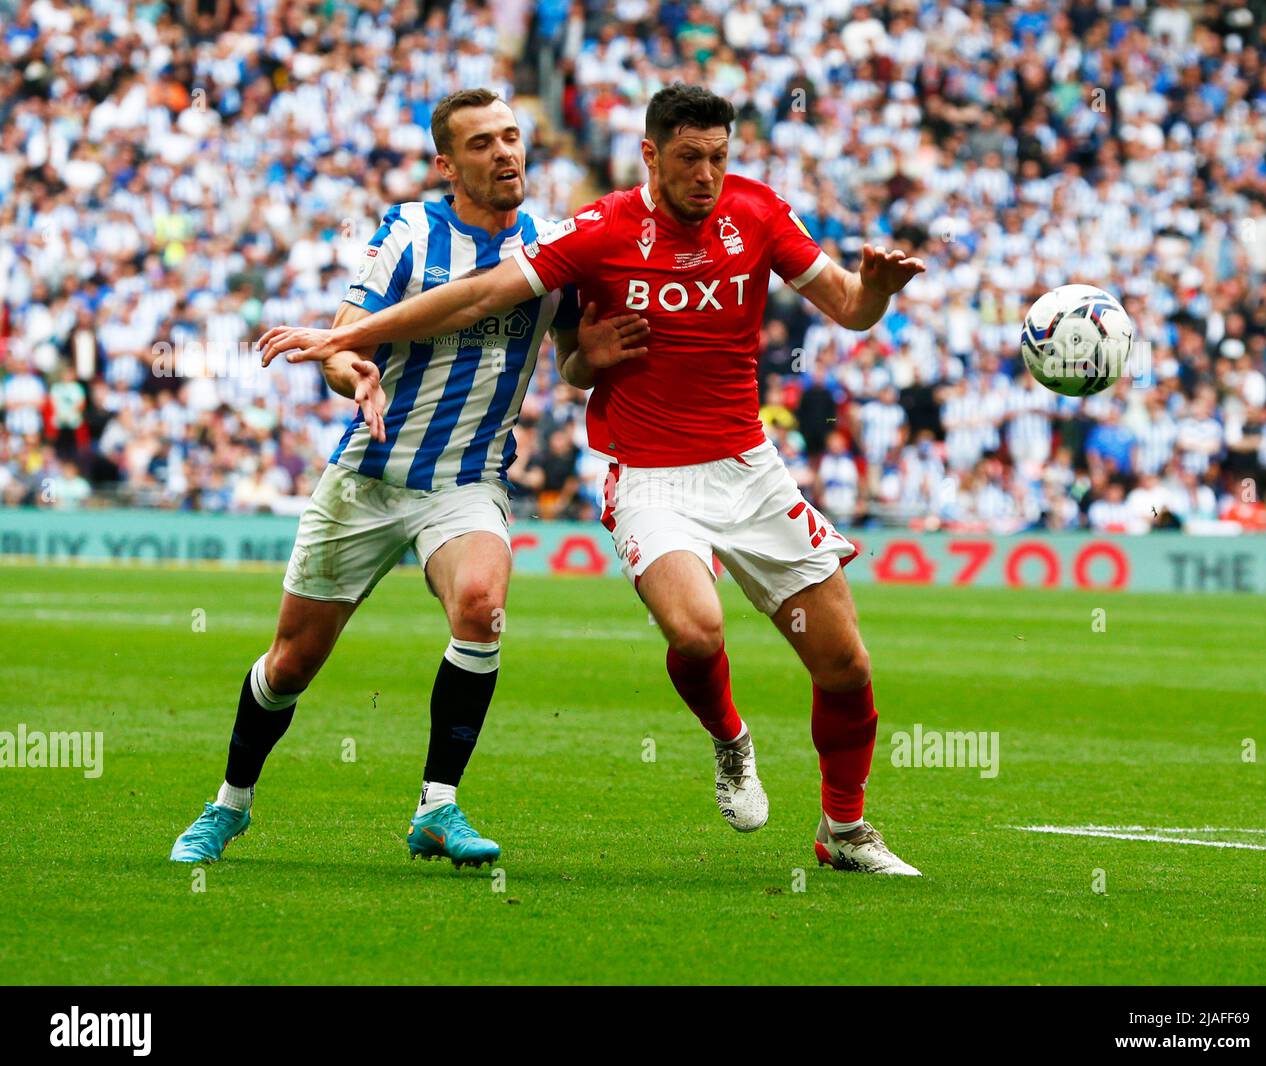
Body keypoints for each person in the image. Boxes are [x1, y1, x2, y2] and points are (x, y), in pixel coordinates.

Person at [260, 84, 927, 875]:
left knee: (845, 663)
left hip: (749, 469)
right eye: (688, 158)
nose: (707, 175)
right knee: (697, 629)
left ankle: (844, 832)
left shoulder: (759, 213)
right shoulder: (602, 229)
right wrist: (348, 335)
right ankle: (730, 739)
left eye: (718, 157)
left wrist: (877, 290)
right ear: (651, 154)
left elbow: (848, 307)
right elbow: (477, 295)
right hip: (646, 474)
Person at [170, 89, 645, 868]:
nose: (505, 154)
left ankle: (438, 807)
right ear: (446, 165)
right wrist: (350, 370)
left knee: (482, 607)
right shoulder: (410, 232)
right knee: (291, 662)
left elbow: (567, 365)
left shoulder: (554, 249)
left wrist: (592, 353)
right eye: (483, 143)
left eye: (512, 138)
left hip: (467, 480)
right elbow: (340, 344)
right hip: (370, 474)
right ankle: (231, 804)